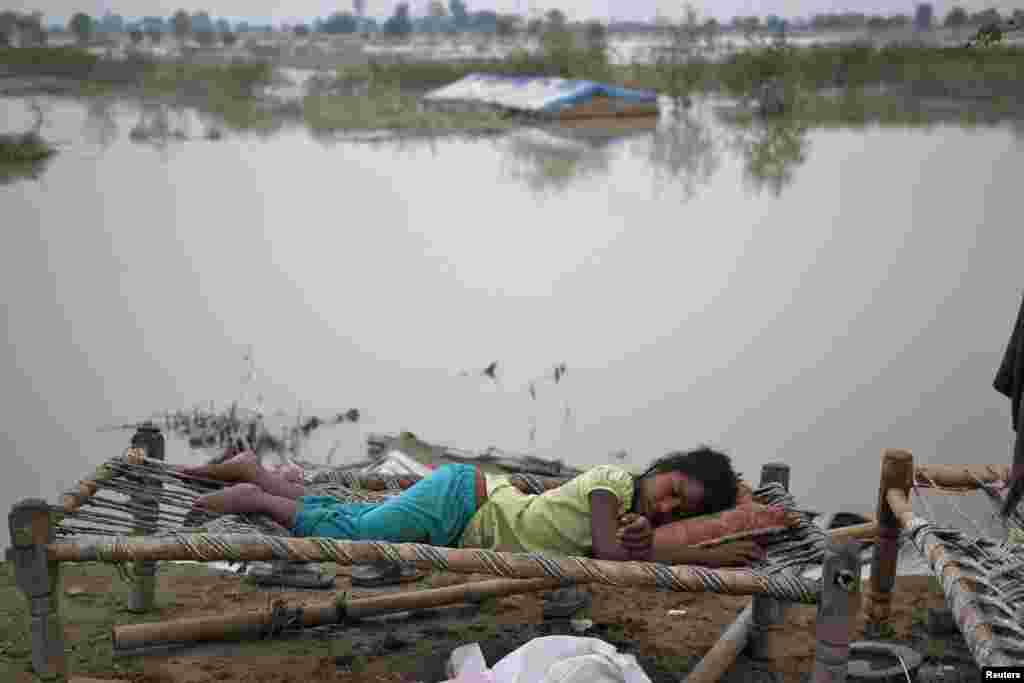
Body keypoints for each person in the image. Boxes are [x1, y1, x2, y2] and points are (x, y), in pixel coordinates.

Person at [177, 446, 764, 567]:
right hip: (462, 504)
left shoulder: (633, 515)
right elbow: (610, 554)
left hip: (467, 509)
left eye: (677, 510)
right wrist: (704, 558)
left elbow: (624, 547)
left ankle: (258, 474)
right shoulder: (613, 482)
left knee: (357, 519)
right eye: (672, 488)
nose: (664, 505)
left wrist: (668, 539)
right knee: (363, 538)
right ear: (664, 466)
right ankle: (255, 494)